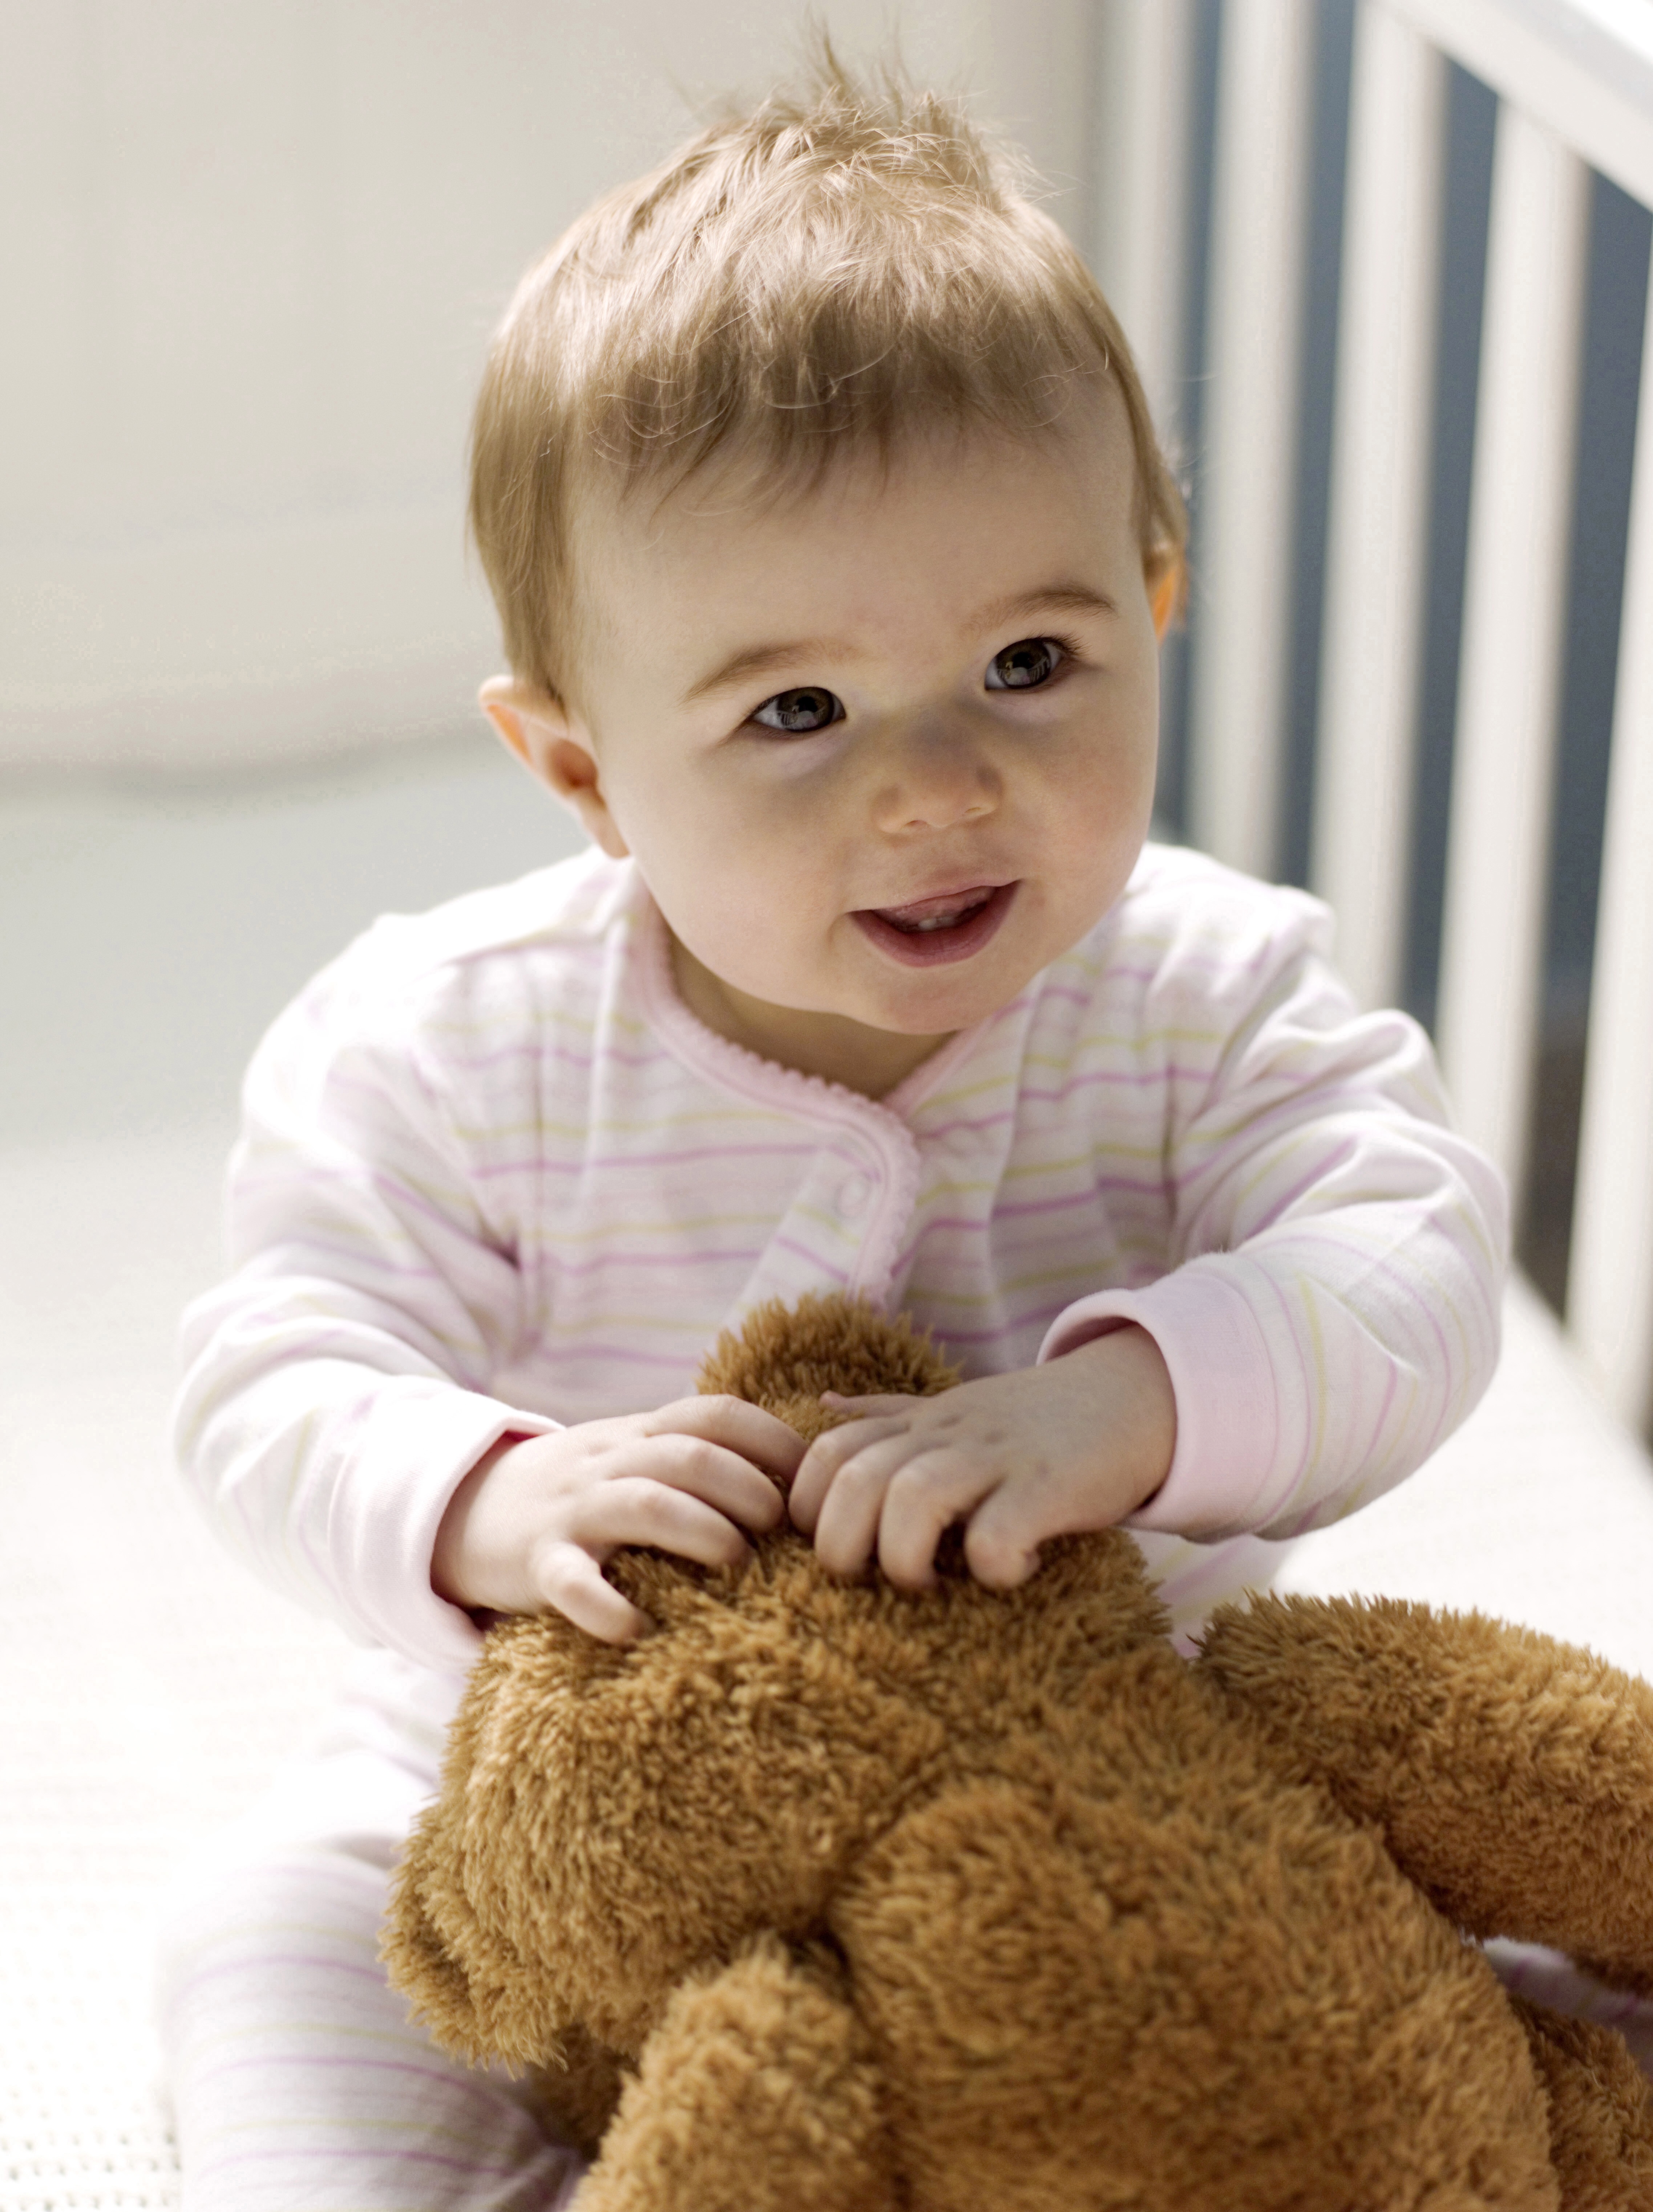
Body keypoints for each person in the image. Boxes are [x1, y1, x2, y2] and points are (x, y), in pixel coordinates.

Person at [156, 49, 1508, 2209]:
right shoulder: (447, 1042)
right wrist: (491, 1504)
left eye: (1032, 661)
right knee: (277, 1940)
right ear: (580, 767)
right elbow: (268, 1379)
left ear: (1152, 599)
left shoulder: (1213, 987)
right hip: (558, 1806)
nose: (938, 783)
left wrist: (1125, 1414)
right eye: (794, 711)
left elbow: (1409, 1260)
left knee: (1461, 1975)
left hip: (1121, 1783)